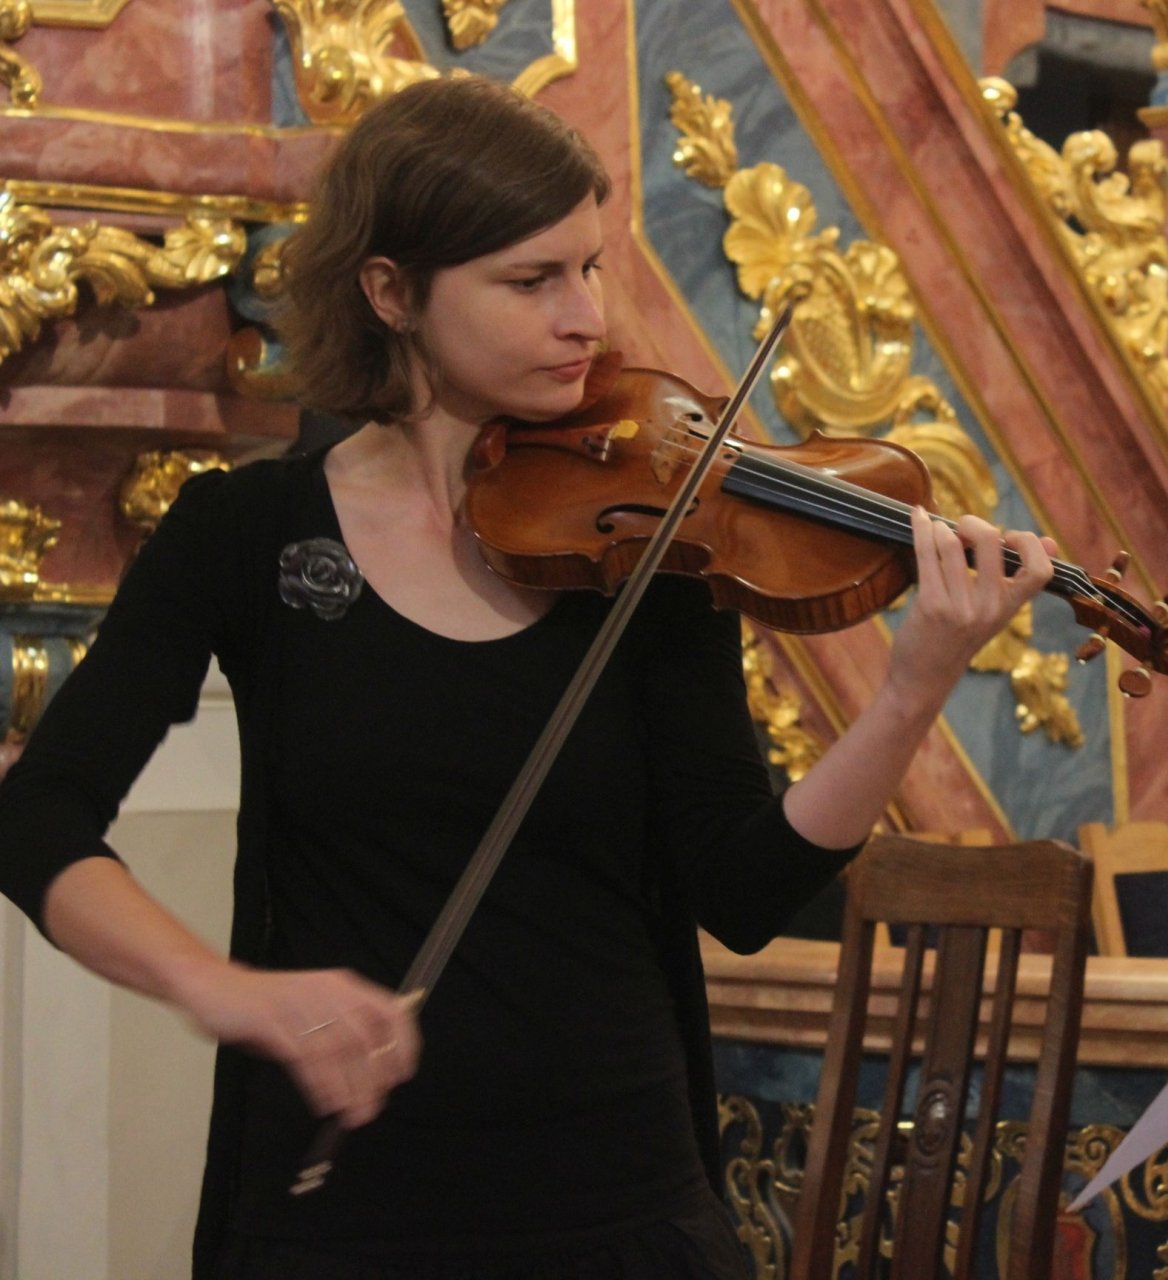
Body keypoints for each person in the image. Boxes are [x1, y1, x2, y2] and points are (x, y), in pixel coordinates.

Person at [0, 77, 1054, 1279]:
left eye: (591, 268)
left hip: (619, 1206)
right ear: (392, 291)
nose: (587, 318)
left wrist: (912, 689)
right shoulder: (246, 535)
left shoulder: (646, 539)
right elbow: (37, 817)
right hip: (339, 1214)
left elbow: (745, 888)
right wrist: (225, 990)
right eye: (532, 280)